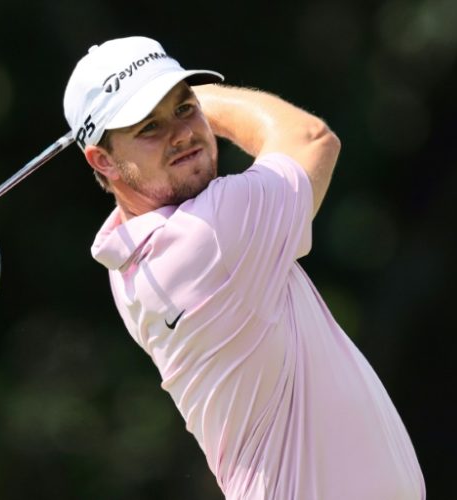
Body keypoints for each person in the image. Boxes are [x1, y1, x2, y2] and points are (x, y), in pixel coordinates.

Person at [63, 36, 425, 499]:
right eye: (149, 126)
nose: (182, 134)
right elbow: (311, 138)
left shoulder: (128, 261)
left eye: (183, 109)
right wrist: (200, 101)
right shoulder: (209, 235)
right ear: (102, 161)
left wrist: (163, 102)